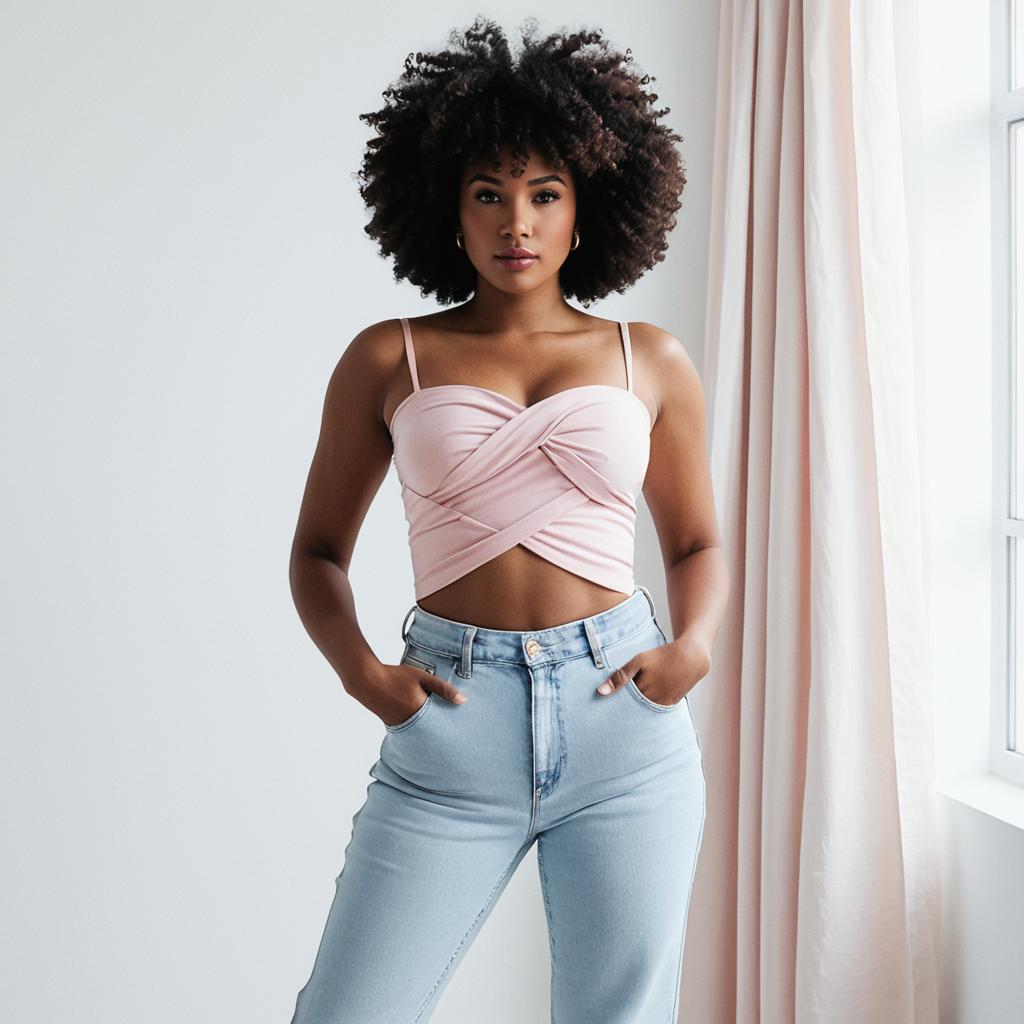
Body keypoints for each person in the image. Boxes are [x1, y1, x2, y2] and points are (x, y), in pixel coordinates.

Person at [287, 16, 729, 1024]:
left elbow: (696, 541)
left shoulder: (650, 359)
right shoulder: (388, 356)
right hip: (453, 722)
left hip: (624, 725)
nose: (515, 224)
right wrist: (363, 675)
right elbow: (317, 552)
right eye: (488, 194)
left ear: (587, 205)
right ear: (446, 208)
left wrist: (694, 646)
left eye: (544, 194)